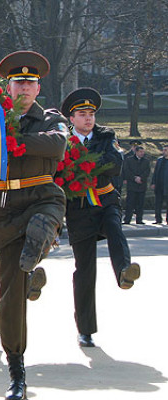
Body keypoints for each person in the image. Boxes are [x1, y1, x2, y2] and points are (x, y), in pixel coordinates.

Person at [0, 51, 68, 400]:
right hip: (4, 207)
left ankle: (38, 244)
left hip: (43, 197)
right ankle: (17, 372)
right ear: (8, 87)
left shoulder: (52, 119)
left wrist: (10, 142)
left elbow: (57, 145)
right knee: (10, 294)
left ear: (38, 87)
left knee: (42, 225)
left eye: (30, 82)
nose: (24, 87)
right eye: (18, 82)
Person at [61, 87, 141, 348]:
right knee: (85, 269)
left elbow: (115, 164)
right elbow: (60, 170)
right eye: (82, 114)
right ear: (72, 118)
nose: (88, 119)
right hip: (78, 209)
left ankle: (124, 271)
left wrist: (81, 166)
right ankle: (85, 329)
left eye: (91, 114)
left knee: (115, 228)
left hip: (105, 200)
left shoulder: (106, 135)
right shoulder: (63, 139)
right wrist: (90, 166)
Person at [122, 145, 150, 224]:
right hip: (132, 185)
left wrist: (141, 178)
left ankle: (139, 219)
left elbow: (147, 171)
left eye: (143, 152)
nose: (142, 153)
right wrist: (134, 178)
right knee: (130, 203)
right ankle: (127, 219)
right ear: (136, 152)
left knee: (140, 204)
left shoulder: (146, 161)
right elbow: (126, 170)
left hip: (141, 185)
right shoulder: (129, 160)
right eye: (140, 152)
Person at [151, 144, 168, 224]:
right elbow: (155, 172)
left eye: (166, 150)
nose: (164, 152)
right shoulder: (160, 160)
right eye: (163, 150)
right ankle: (158, 219)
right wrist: (153, 182)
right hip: (159, 185)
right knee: (158, 203)